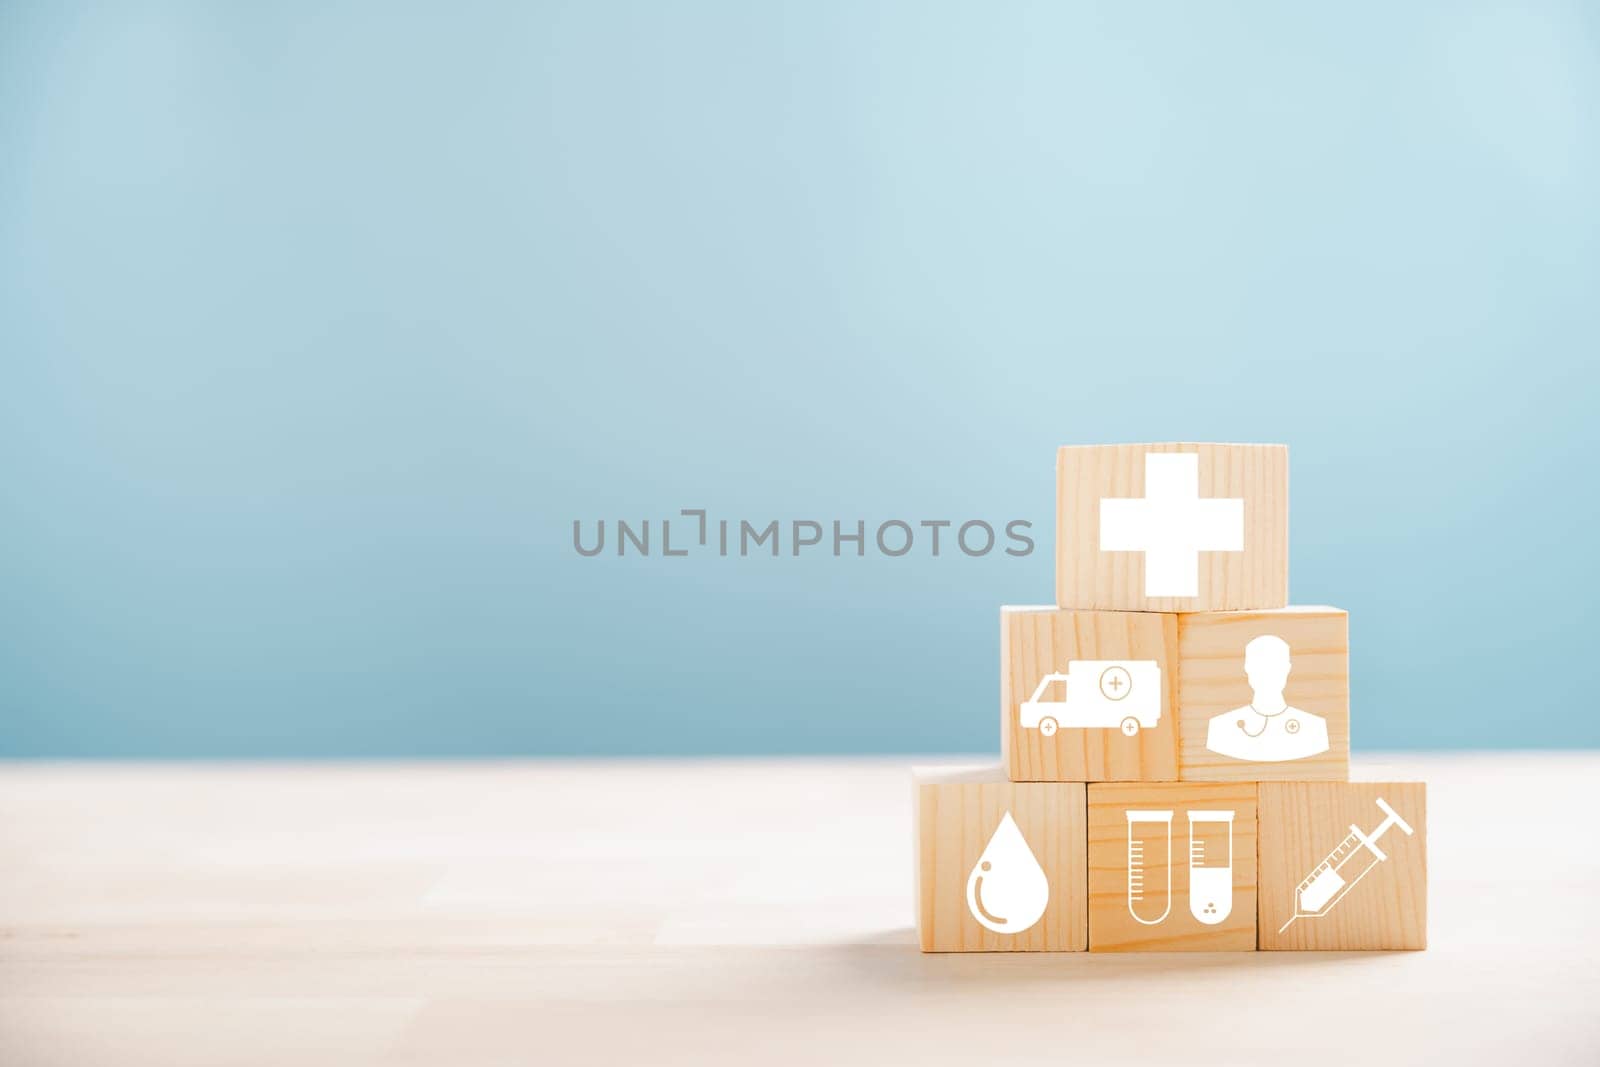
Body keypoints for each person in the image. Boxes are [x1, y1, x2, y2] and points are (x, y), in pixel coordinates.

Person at [1205, 635, 1328, 762]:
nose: (1267, 673)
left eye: (1275, 665)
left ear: (1287, 668)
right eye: (1260, 665)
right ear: (1247, 668)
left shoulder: (1313, 728)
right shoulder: (1222, 727)